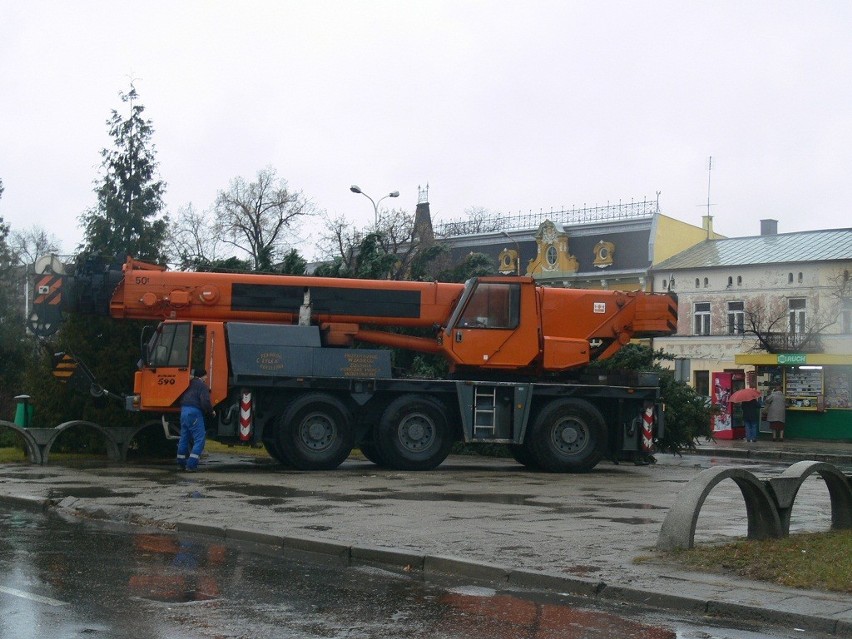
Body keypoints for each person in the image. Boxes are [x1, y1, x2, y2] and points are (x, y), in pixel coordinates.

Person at [177, 368, 213, 471]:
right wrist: (211, 411)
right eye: (205, 376)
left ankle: (181, 463)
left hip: (184, 411)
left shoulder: (188, 383)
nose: (206, 378)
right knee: (200, 439)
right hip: (194, 412)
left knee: (184, 438)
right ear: (202, 376)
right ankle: (191, 465)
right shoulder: (202, 386)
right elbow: (205, 401)